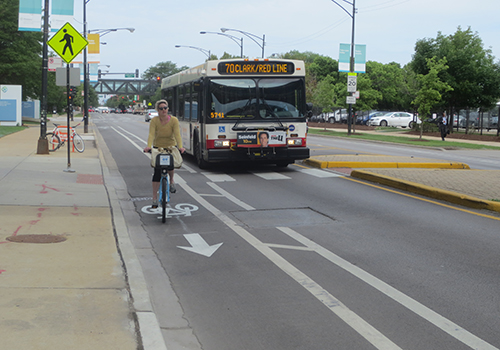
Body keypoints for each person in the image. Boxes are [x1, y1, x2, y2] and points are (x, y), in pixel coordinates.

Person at [143, 100, 185, 208]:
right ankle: (154, 198)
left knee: (171, 165)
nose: (164, 110)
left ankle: (171, 180)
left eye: (165, 108)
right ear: (158, 110)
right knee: (157, 172)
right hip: (158, 147)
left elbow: (177, 135)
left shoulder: (174, 120)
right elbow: (151, 134)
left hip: (171, 147)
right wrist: (148, 146)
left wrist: (180, 147)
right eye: (161, 108)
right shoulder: (154, 121)